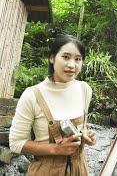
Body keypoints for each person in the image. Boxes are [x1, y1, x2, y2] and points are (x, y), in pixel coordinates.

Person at [9, 34, 96, 176]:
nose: (72, 65)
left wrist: (85, 136)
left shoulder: (84, 89)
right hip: (45, 171)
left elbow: (82, 128)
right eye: (66, 57)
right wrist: (57, 149)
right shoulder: (32, 95)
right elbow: (16, 143)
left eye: (78, 59)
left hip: (80, 169)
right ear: (52, 58)